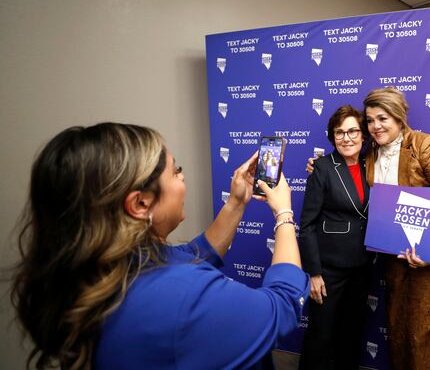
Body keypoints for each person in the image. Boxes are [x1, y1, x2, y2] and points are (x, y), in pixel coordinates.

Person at [10, 123, 309, 369]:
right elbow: (283, 304)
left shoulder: (107, 267)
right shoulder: (185, 297)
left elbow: (196, 255)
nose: (183, 178)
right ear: (140, 203)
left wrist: (236, 202)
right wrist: (284, 213)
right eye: (176, 170)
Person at [307, 88, 430, 369]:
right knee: (398, 332)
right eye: (370, 121)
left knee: (425, 336)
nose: (375, 126)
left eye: (382, 118)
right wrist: (319, 165)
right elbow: (344, 160)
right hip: (395, 259)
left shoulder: (424, 146)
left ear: (399, 117)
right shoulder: (371, 152)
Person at [298, 105, 373, 369]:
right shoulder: (321, 167)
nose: (347, 138)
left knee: (351, 336)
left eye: (353, 131)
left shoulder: (373, 164)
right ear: (332, 137)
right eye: (339, 132)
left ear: (363, 135)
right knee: (321, 336)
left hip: (363, 266)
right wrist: (314, 273)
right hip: (329, 269)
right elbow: (306, 225)